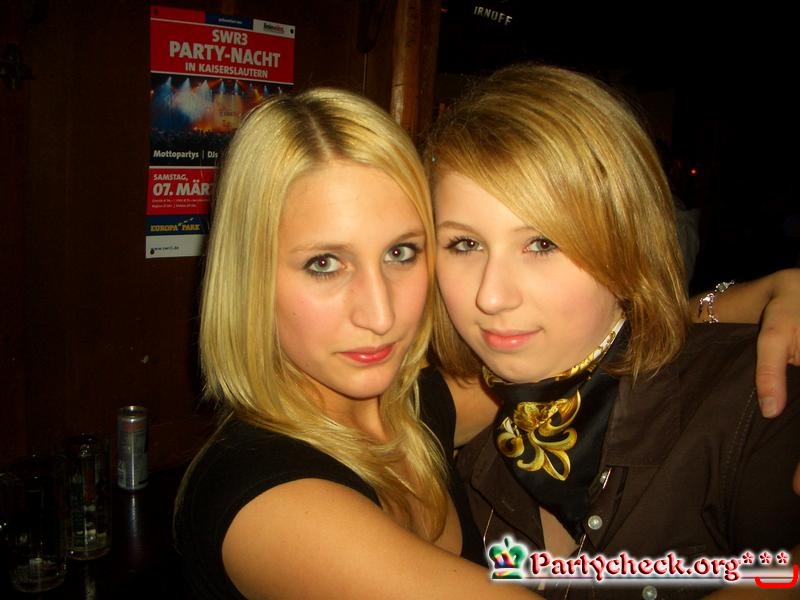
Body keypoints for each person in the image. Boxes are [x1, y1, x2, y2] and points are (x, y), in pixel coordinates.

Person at [421, 63, 800, 599]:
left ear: (626, 244)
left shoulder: (754, 405)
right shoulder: (460, 433)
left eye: (543, 243)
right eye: (465, 244)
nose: (491, 296)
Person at [172, 86, 543, 599]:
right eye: (324, 263)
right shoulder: (273, 507)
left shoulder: (405, 412)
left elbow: (540, 370)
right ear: (248, 278)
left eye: (401, 253)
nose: (381, 315)